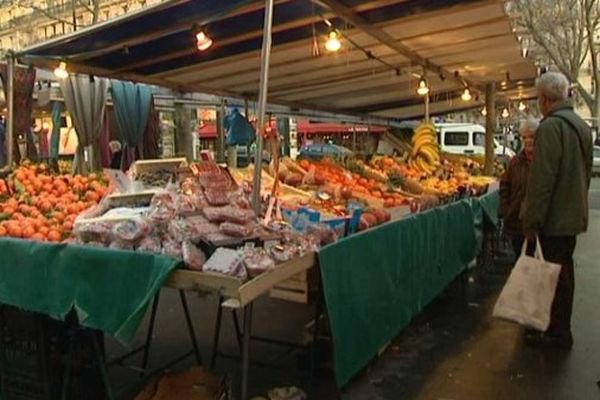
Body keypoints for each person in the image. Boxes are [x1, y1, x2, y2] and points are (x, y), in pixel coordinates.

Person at [522, 72, 593, 349]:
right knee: (564, 273)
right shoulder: (581, 126)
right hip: (572, 215)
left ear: (544, 99)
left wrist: (532, 221)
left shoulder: (550, 128)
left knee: (551, 276)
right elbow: (585, 174)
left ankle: (555, 331)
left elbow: (542, 180)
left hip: (553, 218)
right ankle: (560, 328)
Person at [499, 118, 539, 257]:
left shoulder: (544, 161)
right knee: (520, 260)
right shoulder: (515, 162)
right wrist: (507, 210)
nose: (528, 141)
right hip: (516, 223)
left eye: (532, 137)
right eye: (525, 137)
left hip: (538, 224)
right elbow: (504, 185)